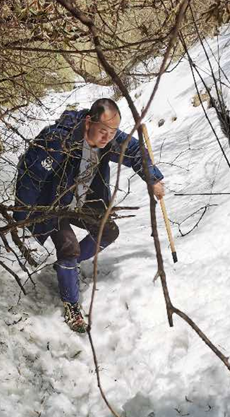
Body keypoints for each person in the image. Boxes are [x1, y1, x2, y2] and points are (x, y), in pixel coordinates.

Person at [13, 98, 165, 333]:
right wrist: (23, 212)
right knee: (69, 246)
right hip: (53, 203)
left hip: (84, 202)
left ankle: (67, 267)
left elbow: (134, 151)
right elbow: (31, 174)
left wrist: (152, 178)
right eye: (103, 131)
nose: (107, 138)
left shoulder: (109, 140)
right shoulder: (59, 140)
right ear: (88, 122)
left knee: (108, 231)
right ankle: (72, 304)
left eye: (112, 132)